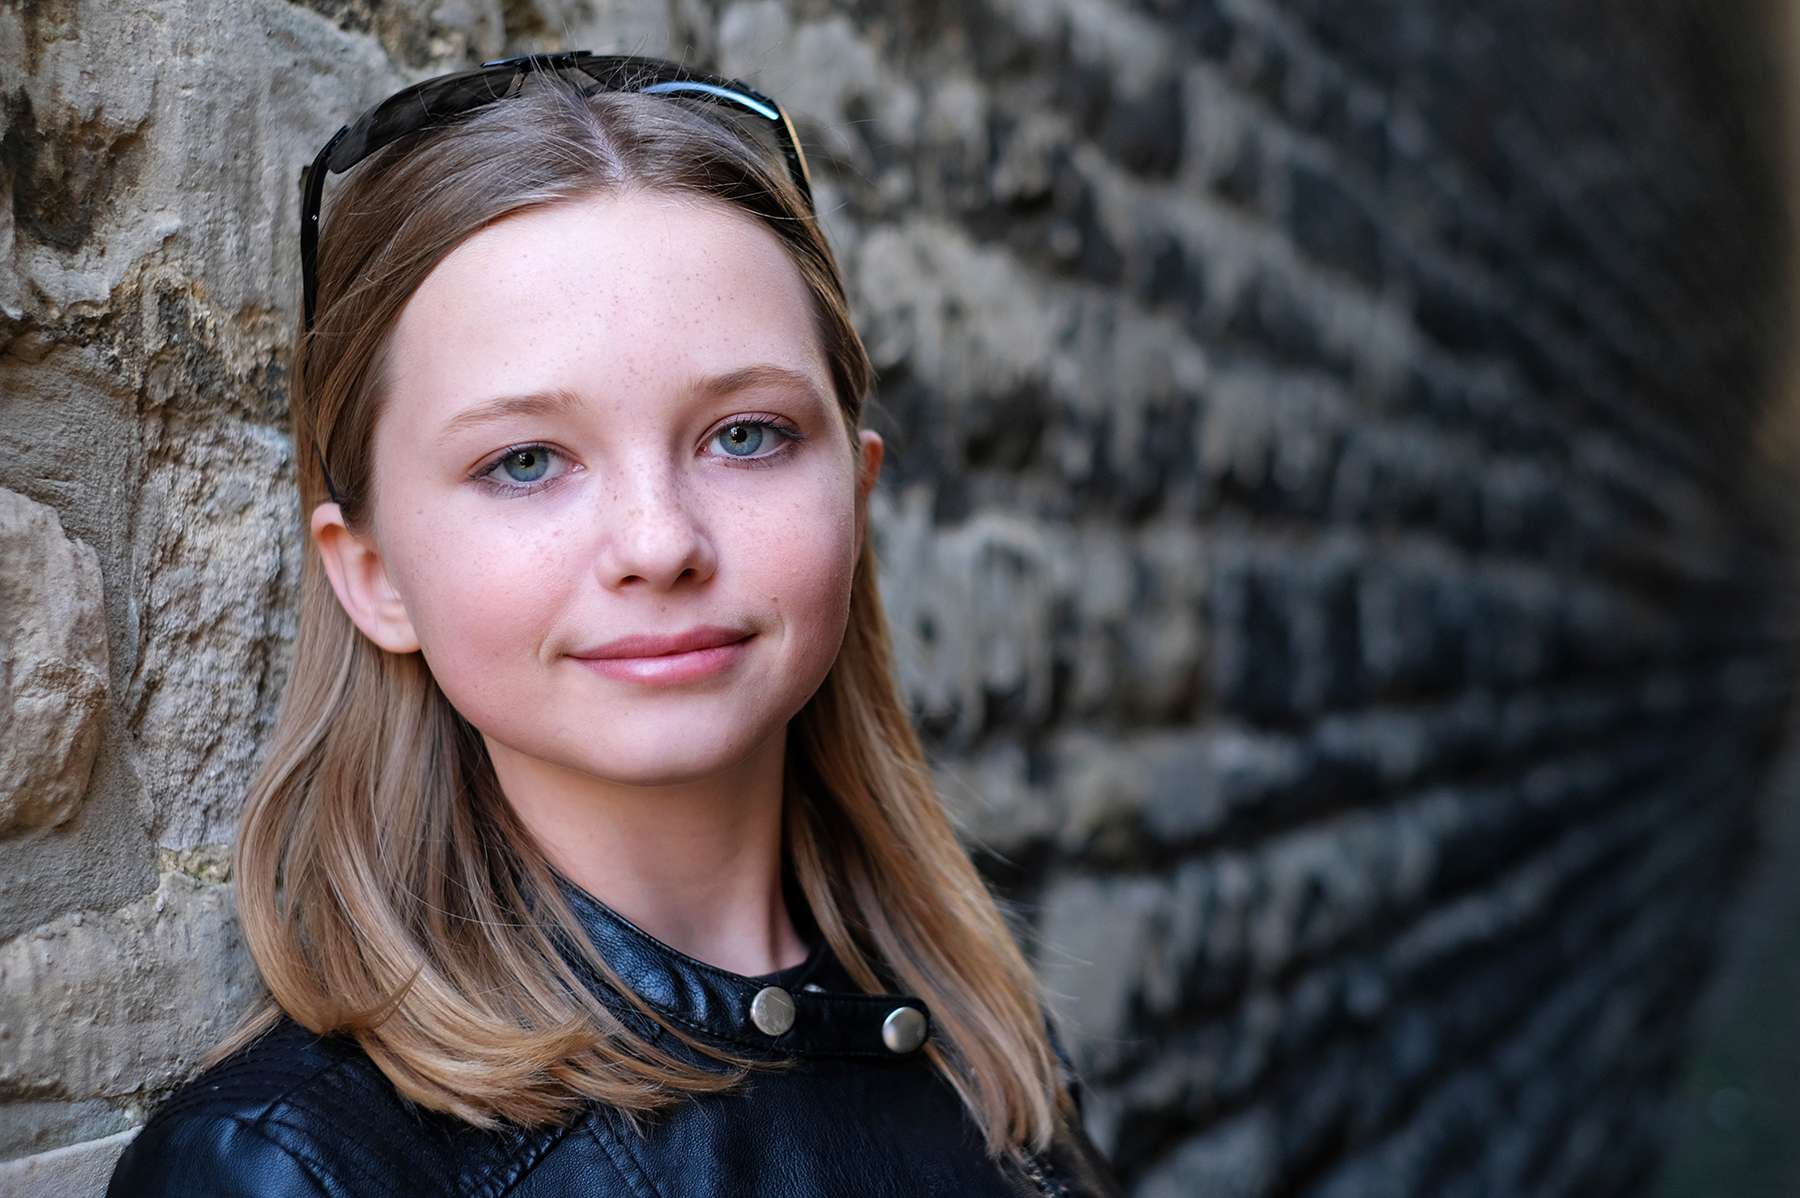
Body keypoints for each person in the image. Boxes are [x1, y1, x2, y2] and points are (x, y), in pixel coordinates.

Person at [107, 54, 1119, 1197]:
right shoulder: (287, 1170)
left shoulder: (980, 1032)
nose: (658, 541)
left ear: (856, 492)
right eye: (525, 461)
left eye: (746, 434)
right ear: (373, 575)